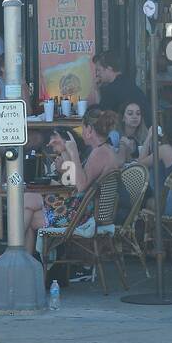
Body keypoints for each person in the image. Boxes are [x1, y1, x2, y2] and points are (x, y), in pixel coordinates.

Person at [22, 109, 120, 262]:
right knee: (26, 210)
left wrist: (73, 153)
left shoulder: (100, 153)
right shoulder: (105, 150)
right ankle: (21, 263)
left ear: (89, 129)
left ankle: (14, 258)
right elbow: (78, 182)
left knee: (25, 207)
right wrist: (66, 159)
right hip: (81, 209)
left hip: (81, 214)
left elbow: (80, 186)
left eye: (82, 128)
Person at [91, 52, 148, 116]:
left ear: (109, 69)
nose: (97, 74)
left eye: (99, 70)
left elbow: (102, 117)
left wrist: (96, 90)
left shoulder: (111, 89)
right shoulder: (127, 81)